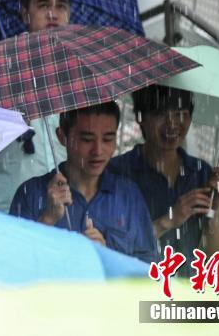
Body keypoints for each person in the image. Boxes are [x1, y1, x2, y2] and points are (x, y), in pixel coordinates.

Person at [10, 102, 157, 263]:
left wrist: (107, 259)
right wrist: (47, 219)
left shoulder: (128, 195)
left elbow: (147, 268)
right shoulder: (30, 194)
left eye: (108, 139)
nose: (98, 151)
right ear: (62, 137)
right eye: (87, 139)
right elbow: (13, 264)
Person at [108, 85, 219, 272]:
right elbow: (113, 249)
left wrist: (213, 212)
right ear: (140, 118)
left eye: (180, 113)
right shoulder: (117, 172)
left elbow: (213, 255)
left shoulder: (201, 172)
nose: (173, 124)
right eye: (161, 114)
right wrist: (168, 220)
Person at [0, 0, 71, 212]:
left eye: (60, 6)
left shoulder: (79, 70)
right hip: (11, 207)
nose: (53, 14)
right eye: (43, 5)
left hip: (69, 206)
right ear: (25, 12)